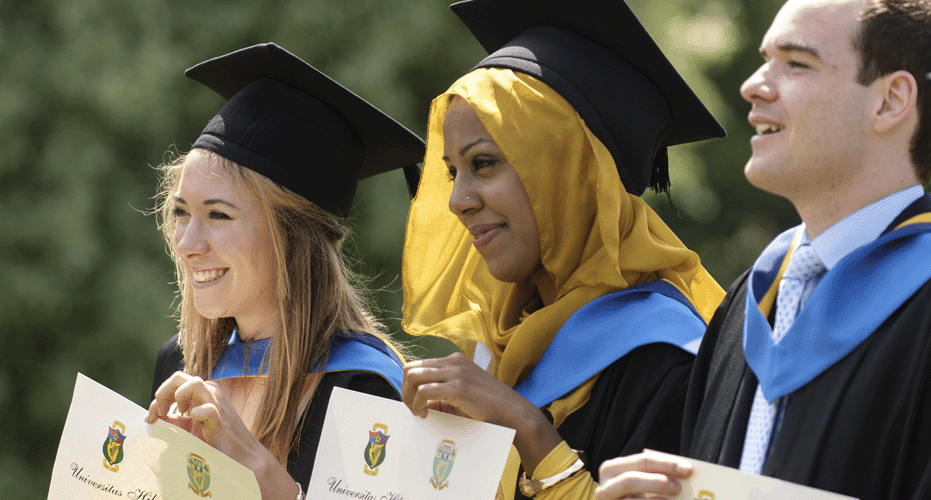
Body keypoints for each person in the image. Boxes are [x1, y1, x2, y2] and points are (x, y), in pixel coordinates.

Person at [597, 0, 931, 499]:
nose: (753, 85)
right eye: (765, 58)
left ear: (889, 100)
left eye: (796, 63)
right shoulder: (751, 303)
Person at [400, 1, 726, 499]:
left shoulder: (670, 365)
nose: (457, 201)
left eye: (483, 163)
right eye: (451, 171)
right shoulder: (500, 347)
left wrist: (527, 430)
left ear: (569, 172)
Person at [144, 43, 425, 500]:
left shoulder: (363, 389)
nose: (187, 243)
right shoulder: (181, 364)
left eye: (218, 215)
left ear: (293, 237)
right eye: (181, 212)